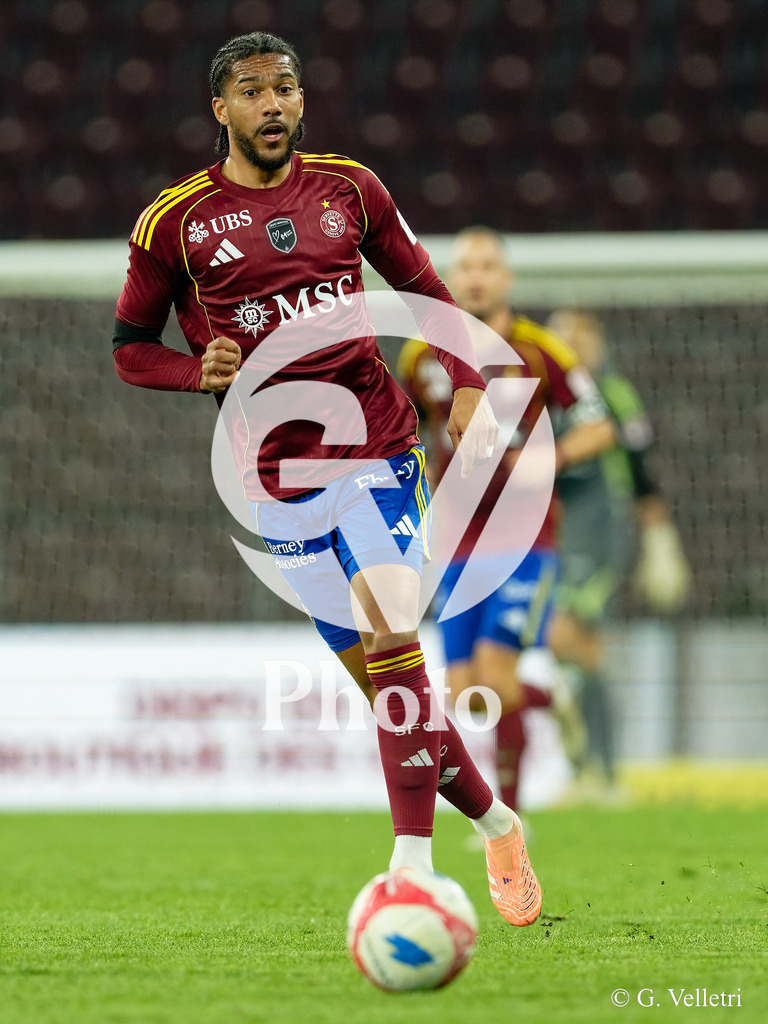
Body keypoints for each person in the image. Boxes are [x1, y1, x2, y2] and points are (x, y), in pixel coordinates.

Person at [112, 32, 541, 927]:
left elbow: (424, 287)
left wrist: (466, 383)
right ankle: (499, 822)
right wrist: (199, 373)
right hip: (276, 480)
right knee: (396, 693)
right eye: (252, 91)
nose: (273, 104)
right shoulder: (175, 222)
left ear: (302, 101)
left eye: (286, 88)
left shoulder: (351, 188)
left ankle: (411, 872)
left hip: (377, 446)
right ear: (220, 110)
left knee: (395, 634)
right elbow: (129, 352)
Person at [399, 226, 616, 810]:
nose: (475, 276)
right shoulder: (422, 355)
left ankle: (510, 821)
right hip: (457, 543)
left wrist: (549, 455)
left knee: (496, 676)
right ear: (451, 278)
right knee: (468, 694)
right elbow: (402, 426)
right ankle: (553, 700)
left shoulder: (544, 351)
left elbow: (600, 427)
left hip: (526, 538)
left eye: (487, 265)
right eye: (465, 266)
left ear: (506, 277)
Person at [546, 310, 691, 795]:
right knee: (581, 651)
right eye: (565, 338)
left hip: (603, 527)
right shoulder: (543, 396)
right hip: (558, 530)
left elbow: (639, 466)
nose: (575, 346)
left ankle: (597, 768)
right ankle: (596, 771)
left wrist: (659, 538)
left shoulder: (612, 392)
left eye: (583, 336)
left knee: (567, 635)